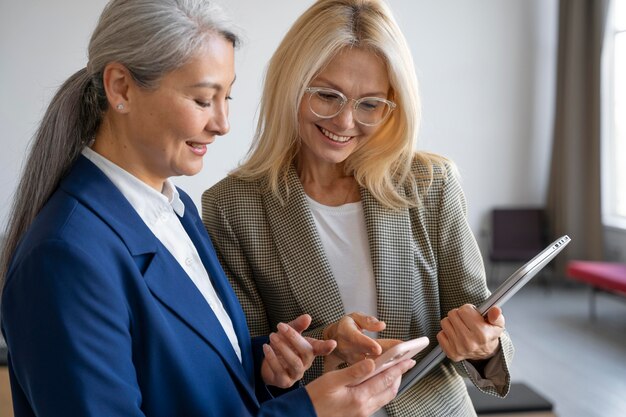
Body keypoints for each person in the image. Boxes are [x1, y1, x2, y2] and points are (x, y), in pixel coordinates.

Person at [0, 1, 416, 416]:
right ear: (121, 88)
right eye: (202, 100)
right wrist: (308, 411)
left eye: (226, 97)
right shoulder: (63, 257)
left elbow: (183, 379)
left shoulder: (176, 210)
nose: (222, 123)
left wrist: (265, 365)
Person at [201, 0, 515, 415]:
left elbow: (477, 315)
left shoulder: (431, 183)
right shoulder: (231, 205)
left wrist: (483, 344)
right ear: (290, 84)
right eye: (327, 96)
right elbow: (245, 358)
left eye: (369, 104)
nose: (345, 122)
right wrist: (292, 361)